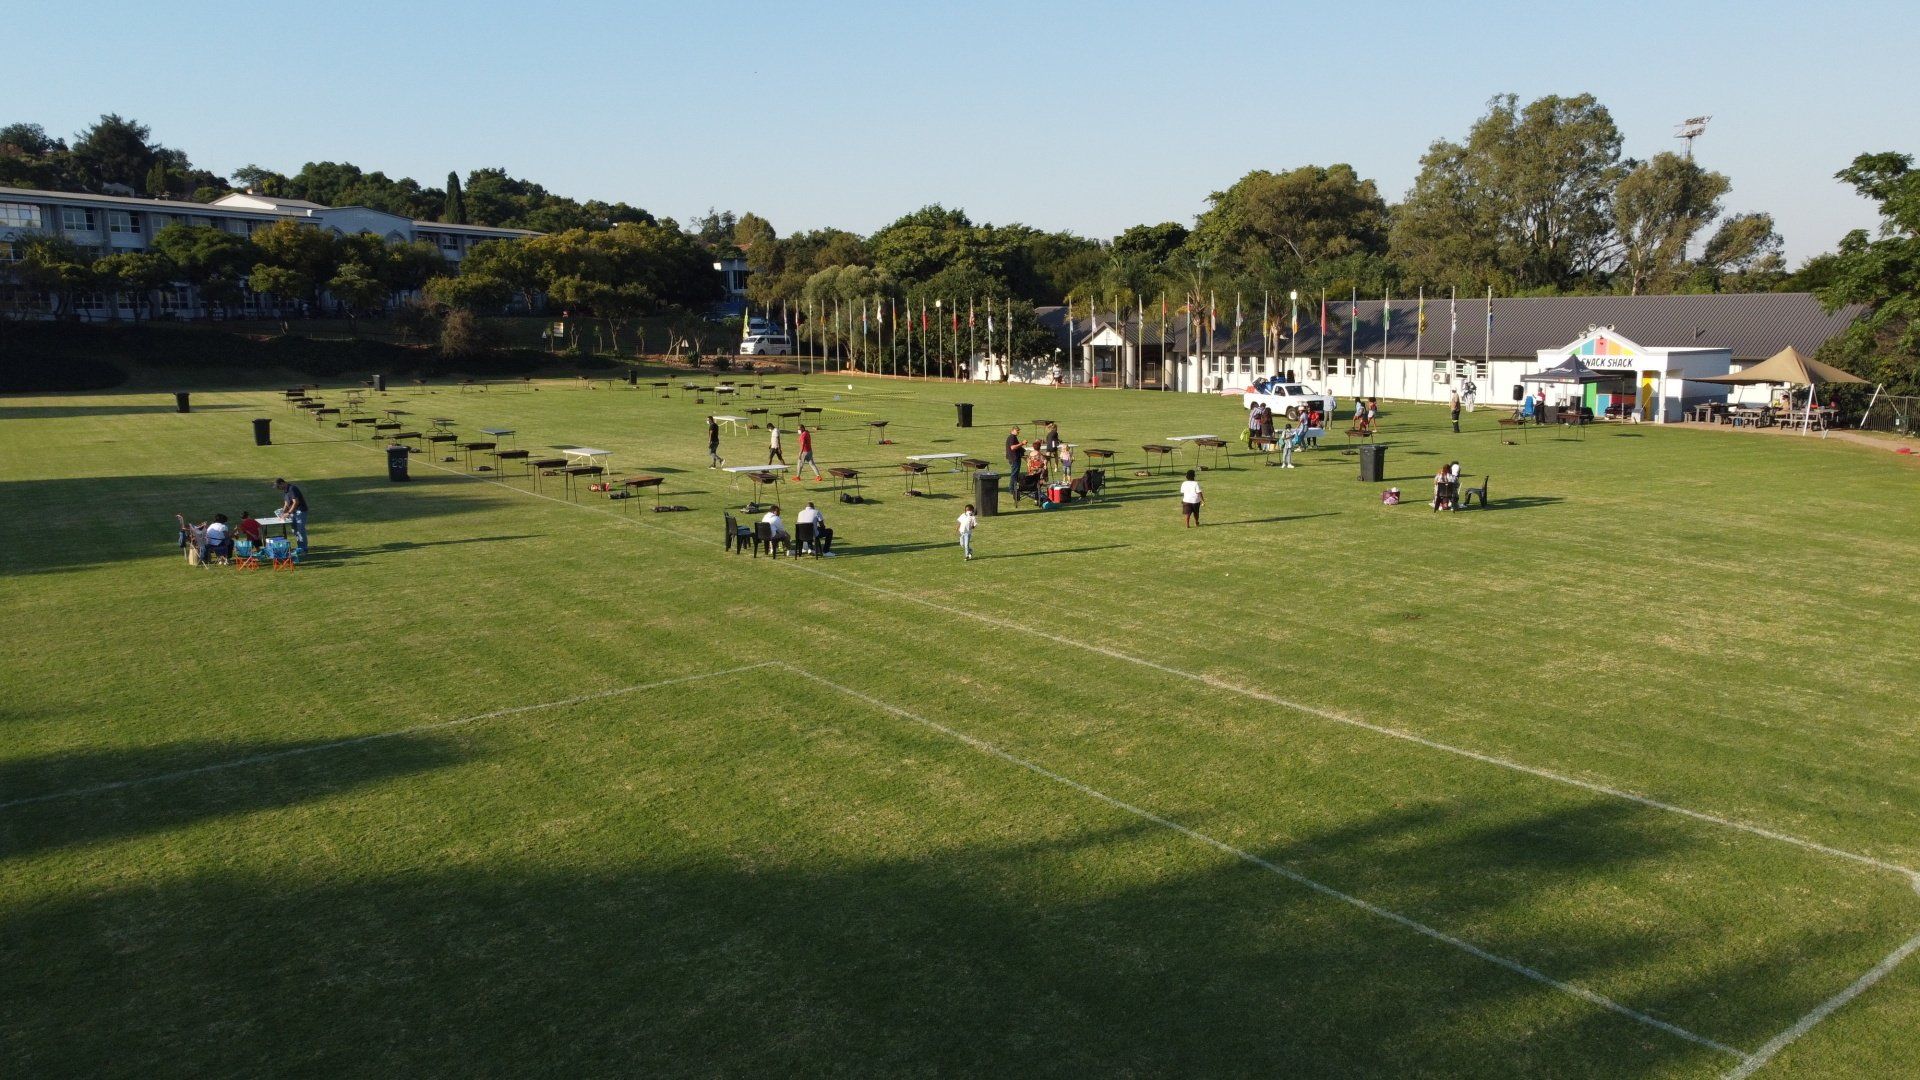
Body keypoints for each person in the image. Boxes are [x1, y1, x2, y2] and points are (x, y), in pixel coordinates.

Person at [274, 478, 308, 555]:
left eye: (278, 486)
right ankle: (300, 548)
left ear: (282, 483)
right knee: (295, 531)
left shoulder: (292, 489)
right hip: (293, 513)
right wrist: (282, 512)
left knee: (300, 531)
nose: (278, 488)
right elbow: (286, 503)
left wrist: (288, 513)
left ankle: (304, 549)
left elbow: (296, 502)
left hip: (300, 512)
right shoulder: (285, 491)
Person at [1004, 426, 1023, 495]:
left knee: (1016, 474)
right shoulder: (1012, 437)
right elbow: (1012, 447)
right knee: (1014, 474)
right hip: (1014, 458)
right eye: (1017, 430)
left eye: (1019, 430)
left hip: (1014, 458)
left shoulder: (1013, 437)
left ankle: (1015, 488)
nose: (1018, 431)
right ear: (1012, 430)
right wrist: (1022, 443)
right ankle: (1011, 489)